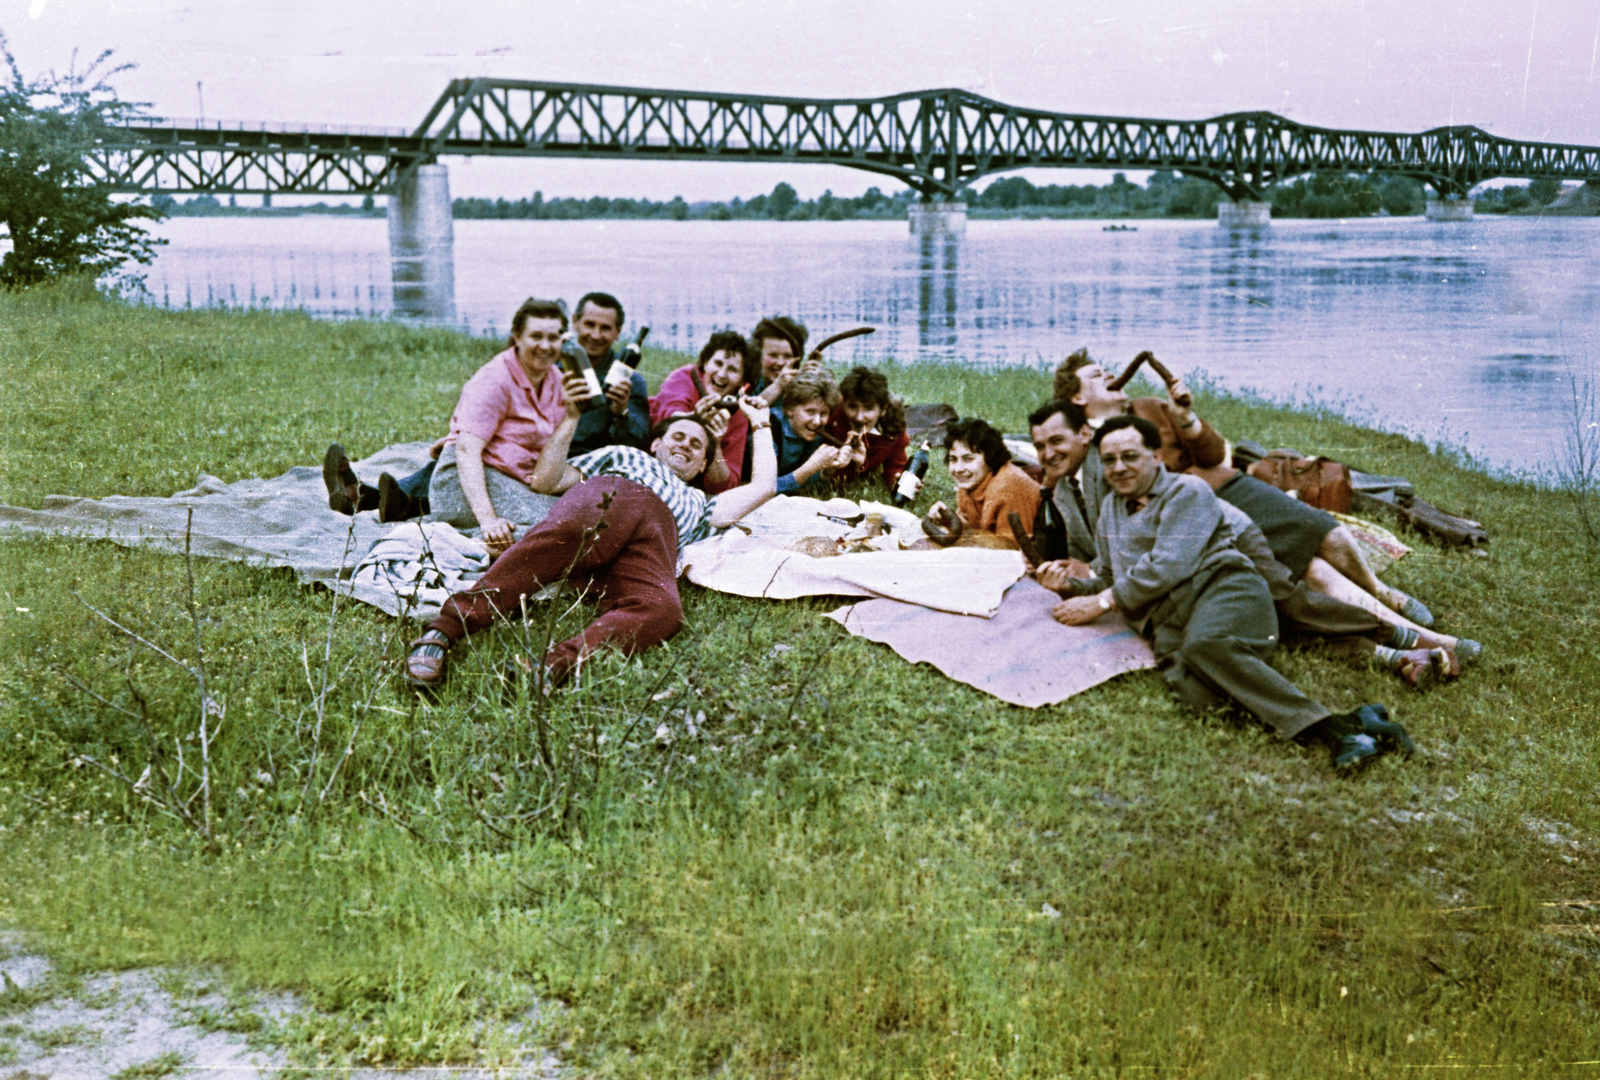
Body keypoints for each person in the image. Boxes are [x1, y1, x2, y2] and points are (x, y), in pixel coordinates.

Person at [1049, 415, 1413, 769]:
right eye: (1109, 460)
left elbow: (1167, 565)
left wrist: (1099, 603)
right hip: (1169, 618)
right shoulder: (1111, 509)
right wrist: (1073, 587)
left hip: (1222, 587)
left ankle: (1333, 732)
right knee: (1199, 699)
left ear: (1155, 456)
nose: (1118, 468)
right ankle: (1362, 719)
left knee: (1209, 646)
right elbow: (1113, 574)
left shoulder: (1185, 490)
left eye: (1130, 456)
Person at [1028, 396, 1478, 682]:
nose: (1049, 454)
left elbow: (1163, 547)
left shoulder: (1114, 465)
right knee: (1276, 630)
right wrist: (1072, 580)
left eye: (1057, 442)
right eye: (1040, 447)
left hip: (1222, 543)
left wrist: (1102, 600)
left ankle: (1420, 638)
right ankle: (1395, 656)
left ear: (1085, 434)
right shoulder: (1067, 489)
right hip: (1188, 571)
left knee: (1292, 604)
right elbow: (1107, 556)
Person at [403, 376, 780, 689]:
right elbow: (547, 479)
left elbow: (764, 486)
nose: (686, 445)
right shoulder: (623, 456)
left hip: (655, 537)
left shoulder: (702, 504)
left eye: (697, 446)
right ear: (656, 445)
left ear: (702, 465)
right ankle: (445, 629)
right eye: (678, 436)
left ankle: (553, 666)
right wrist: (569, 420)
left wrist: (759, 421)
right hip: (616, 495)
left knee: (663, 610)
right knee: (567, 530)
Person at [1055, 348, 1447, 635]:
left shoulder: (1151, 407)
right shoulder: (1085, 443)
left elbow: (1211, 453)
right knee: (1311, 571)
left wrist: (1187, 418)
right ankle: (1402, 632)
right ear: (1076, 397)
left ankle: (1383, 593)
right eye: (1095, 374)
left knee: (1325, 530)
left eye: (1108, 368)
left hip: (1227, 490)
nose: (1108, 372)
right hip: (1187, 521)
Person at [425, 297, 571, 555]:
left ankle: (476, 543)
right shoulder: (495, 379)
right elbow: (466, 451)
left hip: (513, 478)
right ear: (517, 337)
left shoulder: (557, 380)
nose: (545, 346)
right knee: (555, 532)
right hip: (464, 481)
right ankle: (453, 543)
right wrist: (488, 519)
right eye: (535, 336)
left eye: (553, 337)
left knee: (573, 519)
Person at [650, 330, 752, 494]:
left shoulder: (738, 414)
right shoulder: (684, 377)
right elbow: (670, 415)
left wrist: (716, 444)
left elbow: (725, 486)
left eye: (732, 369)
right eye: (718, 363)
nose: (722, 374)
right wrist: (695, 418)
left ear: (742, 380)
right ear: (705, 362)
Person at [927, 418, 1039, 545]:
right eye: (953, 459)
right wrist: (947, 520)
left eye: (968, 459)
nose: (958, 469)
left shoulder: (1008, 487)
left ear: (990, 458)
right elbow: (972, 524)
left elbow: (1013, 547)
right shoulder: (972, 483)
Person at [566, 291, 652, 457]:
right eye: (590, 324)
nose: (596, 335)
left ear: (617, 332)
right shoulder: (553, 366)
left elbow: (638, 444)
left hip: (592, 463)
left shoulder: (629, 380)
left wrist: (622, 412)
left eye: (605, 328)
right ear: (575, 322)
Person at [823, 367, 913, 495]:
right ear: (843, 403)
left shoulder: (894, 428)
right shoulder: (830, 417)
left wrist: (898, 485)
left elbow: (895, 466)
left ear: (883, 409)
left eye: (869, 408)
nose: (859, 417)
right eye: (852, 406)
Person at [771, 370, 852, 495]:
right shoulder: (770, 429)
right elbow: (763, 490)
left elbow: (801, 484)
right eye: (810, 411)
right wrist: (811, 467)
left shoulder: (811, 432)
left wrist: (827, 471)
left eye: (823, 413)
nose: (817, 421)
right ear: (789, 408)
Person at [749, 316, 810, 404]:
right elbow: (744, 413)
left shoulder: (803, 391)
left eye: (787, 356)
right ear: (759, 355)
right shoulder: (746, 386)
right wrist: (778, 386)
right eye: (773, 355)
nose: (780, 362)